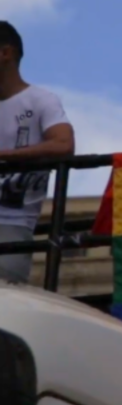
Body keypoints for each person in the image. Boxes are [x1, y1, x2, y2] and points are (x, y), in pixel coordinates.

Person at [0, 22, 75, 284]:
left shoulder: (41, 100)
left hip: (12, 222)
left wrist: (6, 155)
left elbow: (64, 144)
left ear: (5, 53)